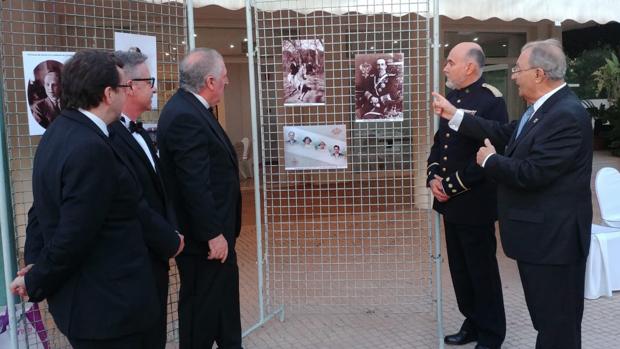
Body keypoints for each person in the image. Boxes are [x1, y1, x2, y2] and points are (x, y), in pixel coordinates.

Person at [432, 39, 592, 349]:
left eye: (518, 69)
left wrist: (490, 160)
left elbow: (534, 173)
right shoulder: (541, 110)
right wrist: (455, 114)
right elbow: (504, 133)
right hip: (540, 240)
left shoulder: (566, 115)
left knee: (558, 324)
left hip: (554, 242)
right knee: (547, 321)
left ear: (539, 74)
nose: (514, 75)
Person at [10, 49, 160, 348]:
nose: (126, 93)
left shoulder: (57, 132)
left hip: (88, 306)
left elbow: (41, 214)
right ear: (108, 94)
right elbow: (74, 235)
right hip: (108, 311)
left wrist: (37, 263)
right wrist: (36, 279)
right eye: (122, 87)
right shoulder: (90, 148)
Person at [157, 48, 243, 349]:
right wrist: (213, 234)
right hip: (204, 242)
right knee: (200, 313)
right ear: (209, 81)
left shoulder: (193, 109)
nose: (227, 81)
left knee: (222, 305)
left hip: (216, 237)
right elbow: (194, 183)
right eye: (224, 76)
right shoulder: (184, 116)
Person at [427, 42, 507, 349]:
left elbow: (490, 152)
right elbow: (441, 144)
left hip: (474, 200)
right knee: (460, 270)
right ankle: (472, 322)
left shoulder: (491, 101)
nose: (445, 67)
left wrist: (451, 185)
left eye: (450, 62)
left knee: (481, 270)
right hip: (450, 203)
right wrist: (433, 176)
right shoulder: (453, 98)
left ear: (469, 67)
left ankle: (491, 334)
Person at [109, 50, 184, 349]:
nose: (154, 87)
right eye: (149, 80)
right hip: (132, 262)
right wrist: (167, 238)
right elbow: (132, 201)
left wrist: (172, 231)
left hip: (154, 257)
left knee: (155, 333)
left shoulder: (139, 131)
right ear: (129, 86)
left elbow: (158, 190)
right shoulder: (107, 136)